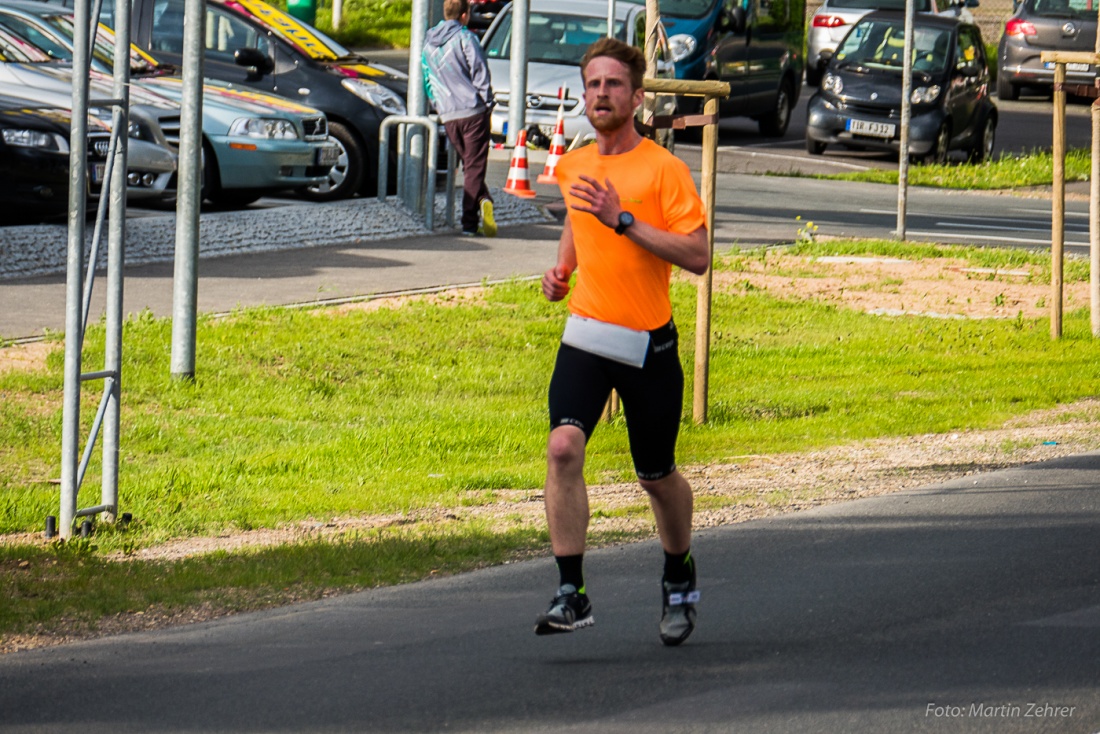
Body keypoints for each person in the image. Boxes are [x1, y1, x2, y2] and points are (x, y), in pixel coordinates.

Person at [534, 37, 710, 646]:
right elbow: (579, 227)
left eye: (612, 84)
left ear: (636, 97)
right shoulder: (575, 164)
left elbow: (698, 255)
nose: (600, 93)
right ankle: (571, 591)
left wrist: (626, 221)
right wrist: (561, 273)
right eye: (592, 84)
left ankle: (678, 569)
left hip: (647, 344)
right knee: (562, 448)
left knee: (655, 475)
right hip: (586, 333)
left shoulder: (663, 169)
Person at [422, 0, 497, 237]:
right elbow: (480, 72)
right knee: (474, 166)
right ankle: (469, 223)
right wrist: (488, 104)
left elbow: (427, 78)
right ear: (464, 15)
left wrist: (438, 105)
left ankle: (484, 198)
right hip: (473, 111)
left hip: (448, 113)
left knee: (469, 164)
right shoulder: (466, 38)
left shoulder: (428, 42)